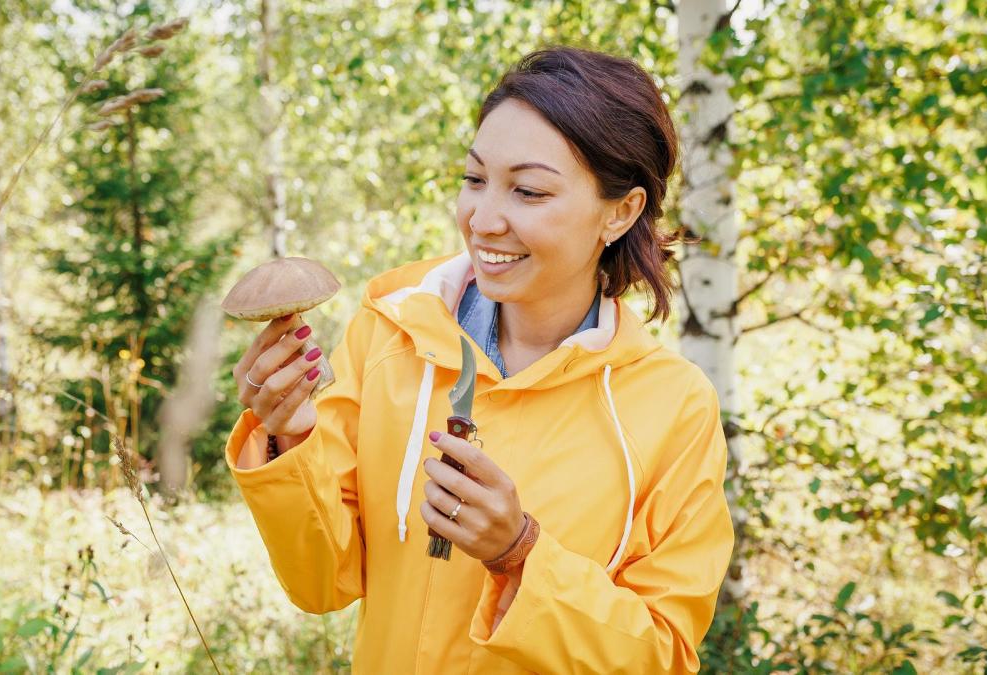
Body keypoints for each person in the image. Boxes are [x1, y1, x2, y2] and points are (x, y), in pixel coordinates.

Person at [226, 45, 734, 674]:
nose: (482, 218)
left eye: (528, 191)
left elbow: (662, 654)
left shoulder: (674, 407)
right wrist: (288, 440)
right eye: (474, 179)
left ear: (620, 211)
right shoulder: (389, 337)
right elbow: (319, 583)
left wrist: (519, 553)